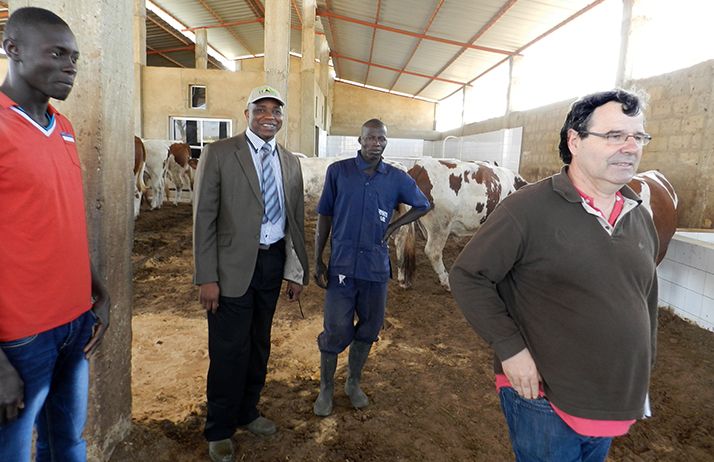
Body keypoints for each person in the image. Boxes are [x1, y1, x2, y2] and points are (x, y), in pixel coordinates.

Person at [449, 89, 659, 462]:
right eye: (614, 135)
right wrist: (510, 349)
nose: (630, 146)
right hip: (544, 396)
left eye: (638, 136)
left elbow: (646, 297)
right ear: (574, 140)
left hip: (609, 395)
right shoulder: (528, 208)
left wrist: (642, 364)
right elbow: (468, 276)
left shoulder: (639, 214)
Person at [0, 7, 111, 462]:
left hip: (73, 323)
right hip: (19, 335)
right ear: (13, 50)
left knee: (67, 443)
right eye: (58, 53)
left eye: (76, 58)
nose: (71, 67)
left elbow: (61, 220)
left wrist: (97, 291)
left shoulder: (63, 128)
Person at [193, 84, 309, 462]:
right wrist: (206, 276)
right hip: (230, 270)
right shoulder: (221, 153)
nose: (268, 117)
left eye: (275, 111)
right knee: (229, 349)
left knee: (260, 344)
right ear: (247, 113)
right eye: (261, 109)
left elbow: (295, 220)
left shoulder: (289, 161)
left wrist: (295, 271)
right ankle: (220, 428)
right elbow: (203, 219)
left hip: (272, 263)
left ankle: (248, 411)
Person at [312, 118, 431, 417]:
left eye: (381, 139)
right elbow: (324, 216)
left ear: (386, 143)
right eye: (371, 138)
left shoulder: (395, 177)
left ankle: (353, 383)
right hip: (341, 266)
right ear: (360, 140)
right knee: (336, 327)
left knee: (370, 326)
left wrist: (394, 225)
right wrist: (317, 259)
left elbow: (423, 204)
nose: (376, 143)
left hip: (375, 268)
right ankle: (326, 388)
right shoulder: (338, 172)